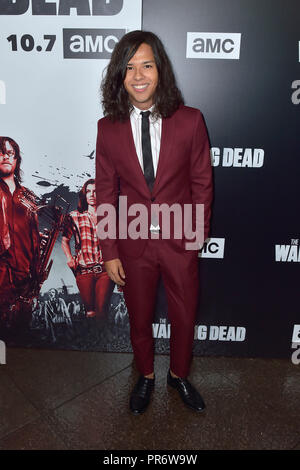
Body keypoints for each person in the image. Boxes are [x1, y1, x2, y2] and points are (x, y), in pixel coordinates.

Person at [96, 31, 213, 414]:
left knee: (184, 314)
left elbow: (201, 183)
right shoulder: (107, 128)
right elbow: (105, 193)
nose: (139, 75)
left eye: (146, 64)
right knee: (140, 315)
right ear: (120, 76)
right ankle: (145, 375)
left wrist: (194, 237)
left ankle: (179, 375)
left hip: (180, 241)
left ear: (160, 69)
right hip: (132, 244)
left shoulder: (191, 121)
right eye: (129, 67)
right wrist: (109, 250)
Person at [0, 136, 40, 334]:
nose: (5, 157)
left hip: (25, 275)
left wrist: (36, 272)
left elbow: (34, 237)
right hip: (1, 274)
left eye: (10, 153)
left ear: (16, 160)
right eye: (0, 152)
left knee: (22, 336)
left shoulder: (28, 197)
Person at [61, 179, 112, 320]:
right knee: (90, 312)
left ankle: (101, 341)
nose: (92, 194)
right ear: (84, 195)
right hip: (84, 270)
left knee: (102, 312)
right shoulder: (74, 217)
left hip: (105, 271)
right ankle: (91, 340)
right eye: (88, 191)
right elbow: (65, 241)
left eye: (95, 191)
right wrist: (70, 258)